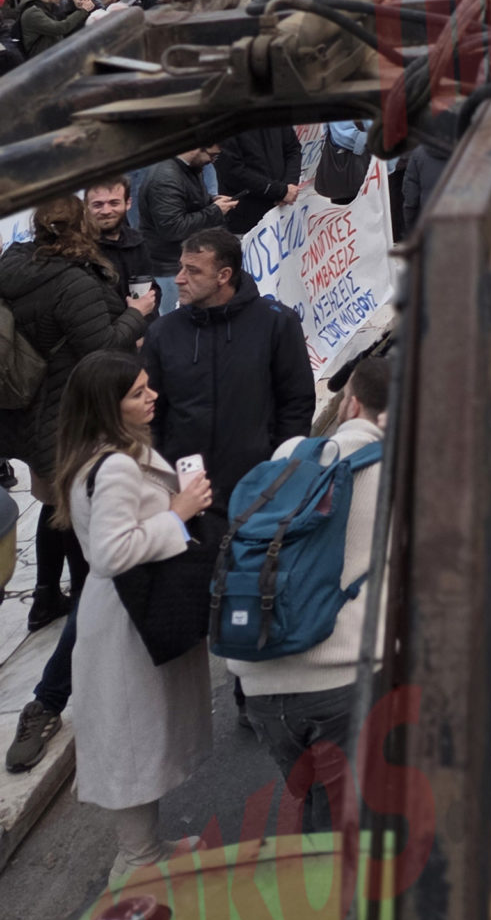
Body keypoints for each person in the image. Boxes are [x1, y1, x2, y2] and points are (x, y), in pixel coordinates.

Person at [52, 351, 213, 884]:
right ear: (108, 405)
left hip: (127, 612)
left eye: (149, 387)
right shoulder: (116, 465)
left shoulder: (104, 454)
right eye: (138, 392)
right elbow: (110, 554)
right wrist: (178, 514)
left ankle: (146, 849)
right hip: (127, 618)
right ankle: (138, 861)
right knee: (133, 738)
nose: (152, 397)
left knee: (140, 734)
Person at [235, 350, 389, 833]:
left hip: (259, 682)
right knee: (344, 822)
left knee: (316, 799)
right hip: (342, 681)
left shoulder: (288, 456)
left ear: (349, 404)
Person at [0, 196, 154, 641]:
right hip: (67, 409)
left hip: (24, 408)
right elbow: (101, 347)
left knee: (52, 501)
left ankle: (45, 595)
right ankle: (88, 599)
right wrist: (135, 316)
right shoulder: (73, 282)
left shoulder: (13, 266)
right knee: (74, 506)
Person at [144, 226, 318, 516]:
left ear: (223, 276)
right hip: (187, 501)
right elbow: (150, 412)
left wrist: (278, 471)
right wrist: (163, 478)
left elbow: (296, 402)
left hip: (258, 494)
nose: (179, 279)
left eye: (193, 271)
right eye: (180, 268)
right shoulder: (163, 332)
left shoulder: (277, 324)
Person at [141, 144, 238, 284]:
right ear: (195, 148)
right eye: (212, 155)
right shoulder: (166, 178)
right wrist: (215, 211)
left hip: (181, 261)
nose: (212, 161)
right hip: (169, 269)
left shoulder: (190, 167)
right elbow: (173, 228)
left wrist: (211, 201)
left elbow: (187, 202)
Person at [216, 124, 303, 239]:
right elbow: (232, 172)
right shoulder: (226, 123)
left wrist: (289, 186)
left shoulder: (275, 114)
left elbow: (293, 149)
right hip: (247, 218)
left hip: (283, 213)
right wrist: (280, 191)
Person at [83, 177, 149, 300]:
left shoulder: (137, 241)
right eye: (98, 205)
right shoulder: (79, 248)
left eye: (114, 203)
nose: (106, 211)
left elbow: (148, 287)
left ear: (128, 203)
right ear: (86, 206)